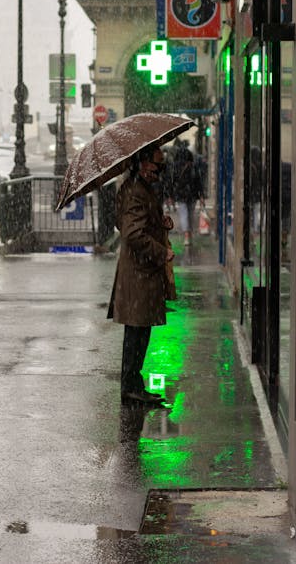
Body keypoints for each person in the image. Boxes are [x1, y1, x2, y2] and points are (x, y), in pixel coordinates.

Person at [108, 145, 174, 404]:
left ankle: (133, 385)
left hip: (139, 274)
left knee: (138, 332)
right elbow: (132, 233)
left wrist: (160, 223)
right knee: (137, 333)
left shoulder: (135, 187)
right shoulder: (135, 190)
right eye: (158, 165)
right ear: (144, 163)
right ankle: (131, 388)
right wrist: (161, 252)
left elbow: (129, 223)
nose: (160, 171)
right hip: (139, 275)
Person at [170, 142, 204, 246]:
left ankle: (186, 236)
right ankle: (190, 234)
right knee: (190, 215)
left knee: (183, 214)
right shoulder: (193, 166)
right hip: (192, 194)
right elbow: (199, 181)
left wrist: (171, 196)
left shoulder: (175, 167)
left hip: (181, 195)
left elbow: (172, 182)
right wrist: (201, 195)